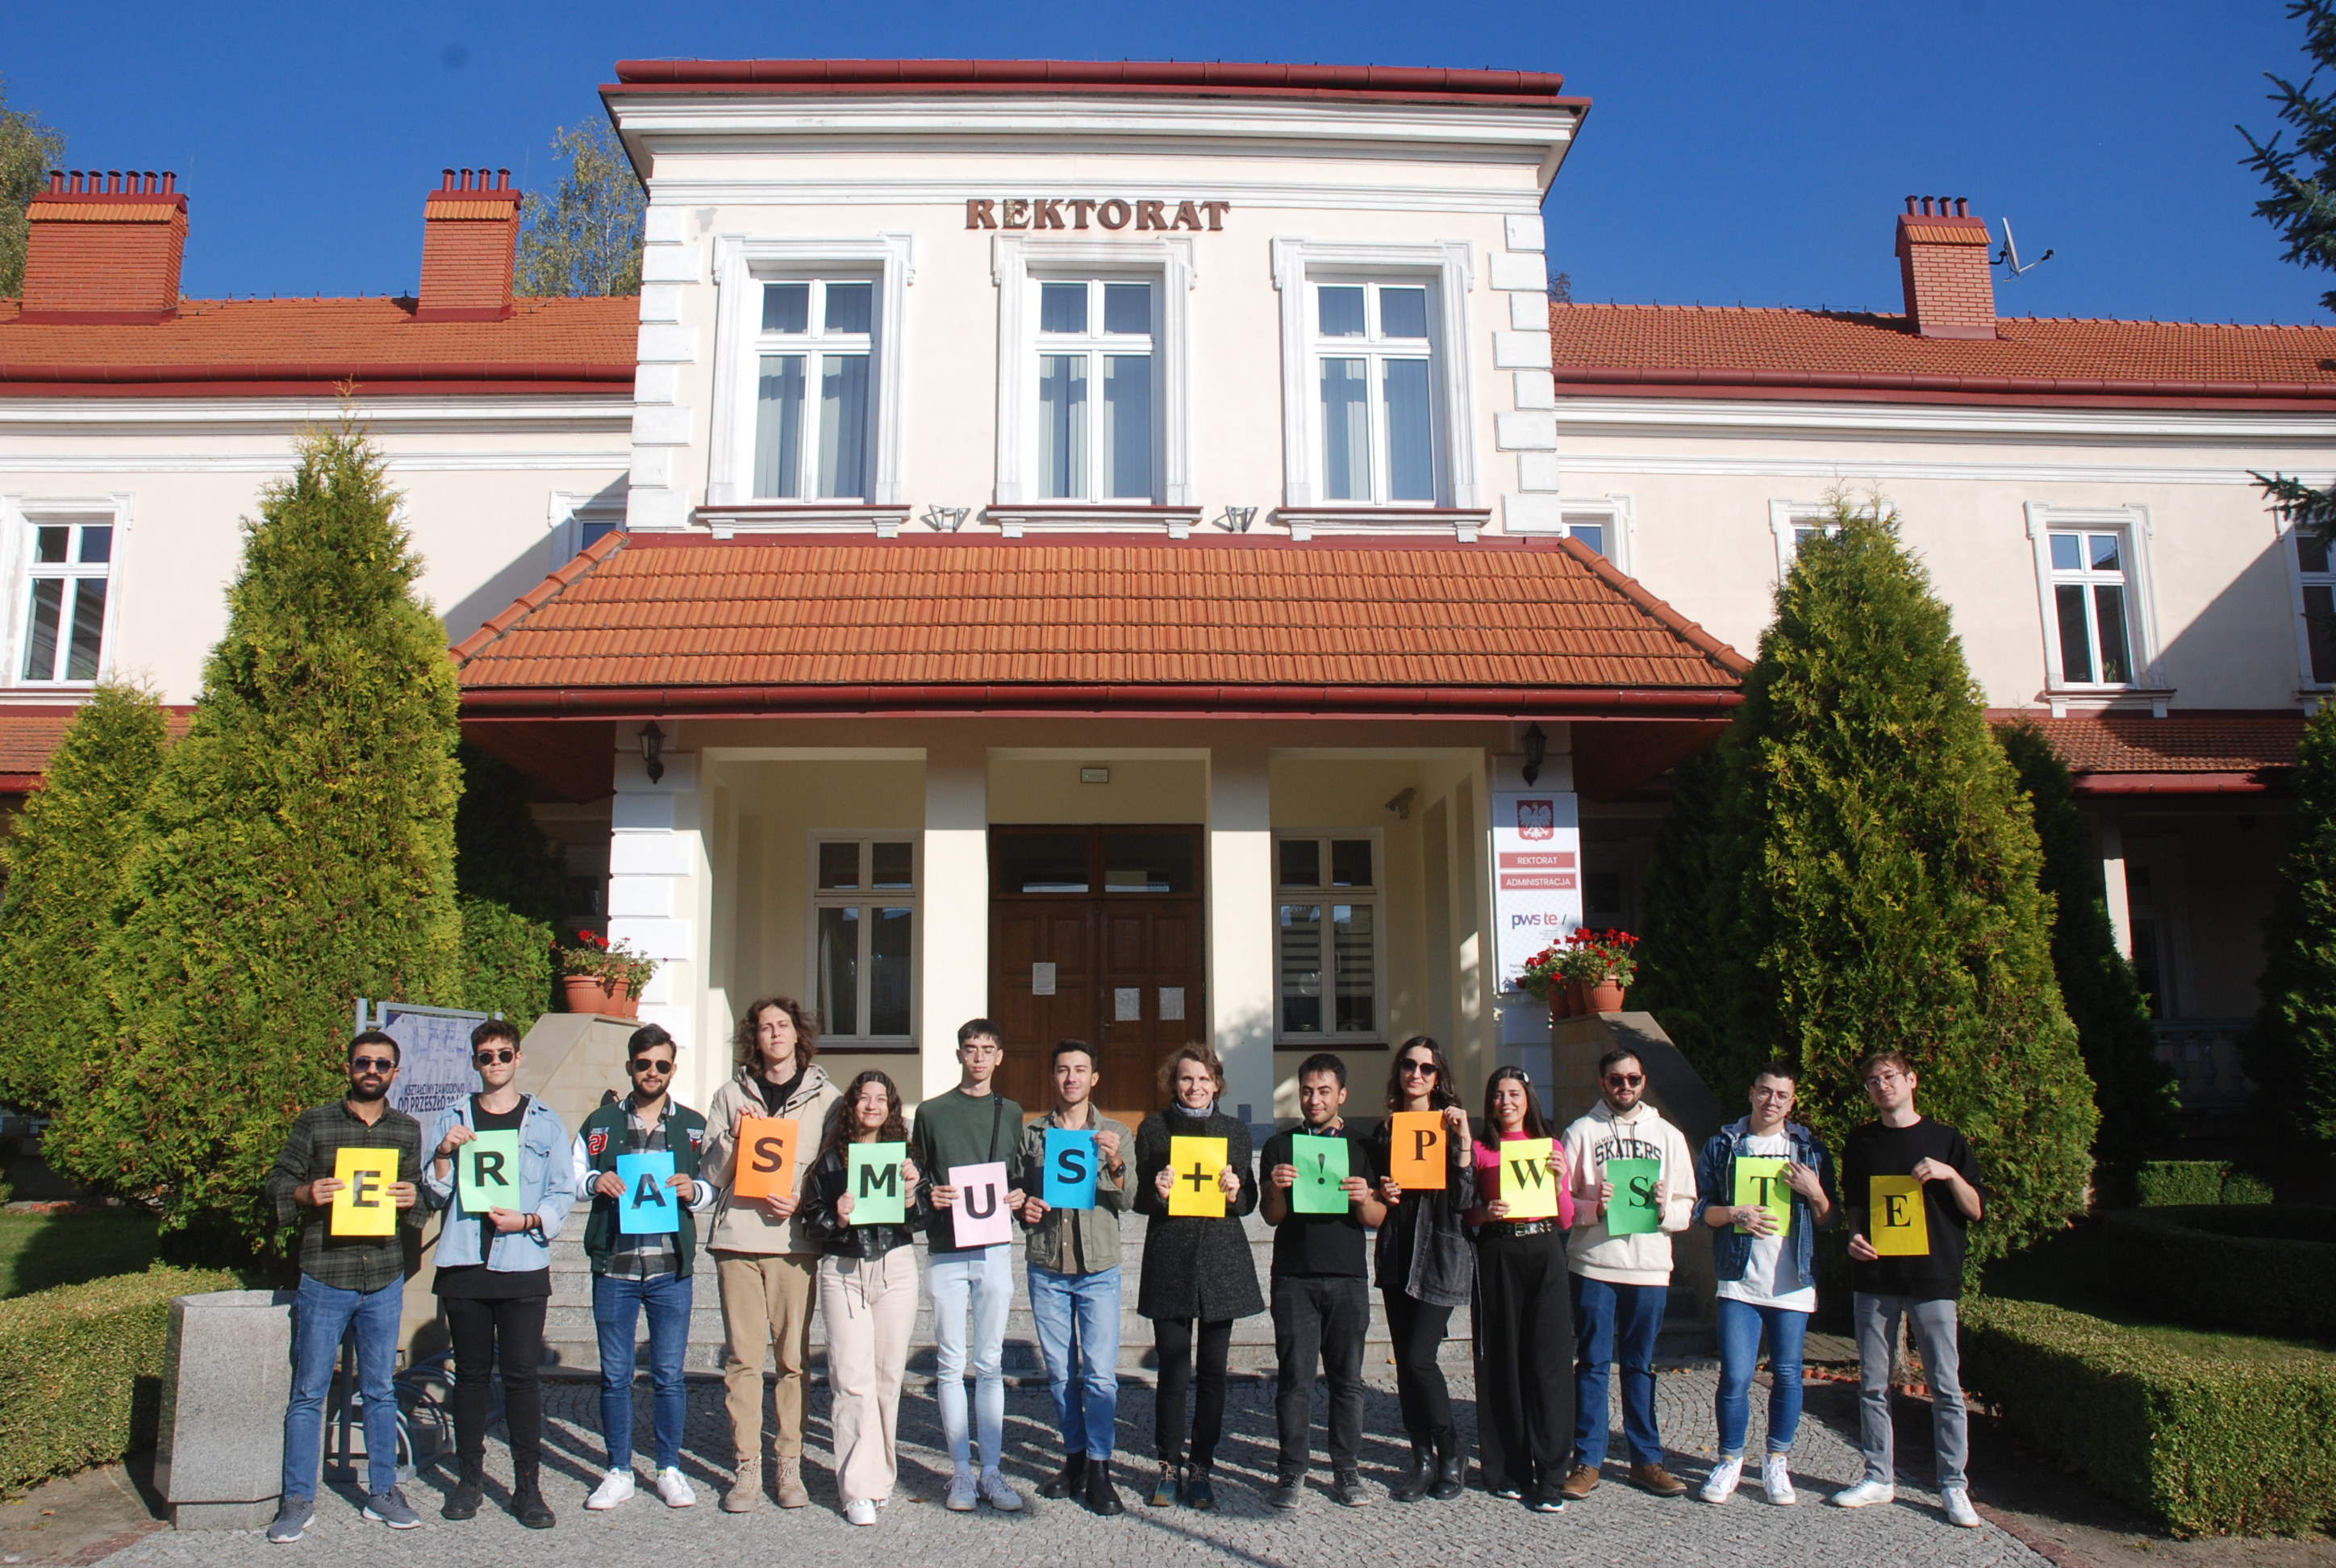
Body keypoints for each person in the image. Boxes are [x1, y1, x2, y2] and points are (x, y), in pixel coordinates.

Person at [265, 1031, 427, 1544]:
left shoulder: (406, 1129)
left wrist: (413, 1198)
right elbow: (276, 1181)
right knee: (309, 1391)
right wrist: (304, 1192)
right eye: (364, 1062)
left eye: (382, 1064)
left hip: (383, 1274)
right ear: (348, 1067)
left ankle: (383, 1492)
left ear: (395, 1072)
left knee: (380, 1389)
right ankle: (297, 1499)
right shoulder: (315, 1122)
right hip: (325, 1273)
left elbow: (420, 1193)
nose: (372, 1070)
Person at [419, 1020, 576, 1528]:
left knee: (521, 1378)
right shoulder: (453, 1116)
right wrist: (444, 1154)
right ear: (475, 1062)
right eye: (486, 1056)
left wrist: (528, 1221)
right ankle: (469, 1480)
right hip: (464, 1260)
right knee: (468, 1377)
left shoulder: (545, 1121)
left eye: (503, 1054)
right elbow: (434, 1193)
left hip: (522, 1262)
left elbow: (562, 1189)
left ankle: (527, 1486)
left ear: (518, 1057)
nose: (495, 1064)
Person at [1832, 1049, 1988, 1529]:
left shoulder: (1946, 1140)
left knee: (1946, 1387)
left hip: (1933, 1277)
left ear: (1911, 1079)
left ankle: (1953, 1485)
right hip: (1876, 1278)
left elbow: (1976, 1209)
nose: (1882, 1086)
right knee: (1872, 1385)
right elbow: (1856, 1205)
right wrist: (1853, 1237)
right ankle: (1878, 1476)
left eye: (1889, 1077)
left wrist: (1949, 1174)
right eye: (1872, 1082)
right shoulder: (1861, 1141)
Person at [699, 995, 842, 1512]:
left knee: (792, 1360)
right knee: (742, 1359)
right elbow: (711, 1175)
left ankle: (789, 1464)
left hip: (793, 1243)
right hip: (737, 1239)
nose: (775, 1033)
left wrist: (804, 1200)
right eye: (766, 1027)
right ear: (754, 1037)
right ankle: (745, 1467)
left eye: (783, 1025)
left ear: (798, 1033)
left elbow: (834, 1171)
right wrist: (734, 1139)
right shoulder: (728, 1094)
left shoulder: (828, 1098)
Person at [570, 1024, 715, 1512]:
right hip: (615, 1265)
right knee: (615, 1375)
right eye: (644, 1064)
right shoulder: (601, 1122)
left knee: (669, 1375)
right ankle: (618, 1469)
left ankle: (669, 1467)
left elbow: (714, 1184)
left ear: (673, 1069)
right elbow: (572, 1176)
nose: (652, 1072)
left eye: (662, 1065)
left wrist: (694, 1191)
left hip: (670, 1266)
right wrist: (595, 1181)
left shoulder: (692, 1125)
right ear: (630, 1066)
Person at [1689, 1061, 1838, 1506]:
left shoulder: (1809, 1149)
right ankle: (1730, 1459)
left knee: (1788, 1374)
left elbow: (1829, 1219)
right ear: (1751, 1092)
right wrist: (1734, 1213)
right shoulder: (1724, 1145)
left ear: (1792, 1102)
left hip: (1792, 1280)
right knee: (1735, 1375)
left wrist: (1814, 1191)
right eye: (1765, 1091)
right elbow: (1701, 1210)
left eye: (1782, 1095)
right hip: (1740, 1279)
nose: (1771, 1101)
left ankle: (1777, 1461)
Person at [1561, 1045, 1696, 1501]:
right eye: (1616, 1079)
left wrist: (1664, 1209)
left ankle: (1646, 1459)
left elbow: (1687, 1205)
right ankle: (1587, 1460)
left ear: (1643, 1082)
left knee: (1640, 1364)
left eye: (1633, 1079)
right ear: (1603, 1082)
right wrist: (1593, 1207)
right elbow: (1562, 1202)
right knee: (1593, 1363)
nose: (1625, 1086)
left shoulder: (1669, 1136)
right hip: (1594, 1265)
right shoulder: (1581, 1132)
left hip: (1649, 1267)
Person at [908, 1018, 1028, 1513]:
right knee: (950, 1362)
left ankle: (992, 1470)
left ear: (999, 1056)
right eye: (971, 1048)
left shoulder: (1012, 1111)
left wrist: (1019, 1195)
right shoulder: (931, 1112)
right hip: (946, 1246)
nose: (979, 1057)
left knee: (990, 1362)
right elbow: (915, 1174)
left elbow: (1017, 1174)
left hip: (994, 1245)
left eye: (987, 1049)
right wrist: (928, 1194)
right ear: (959, 1053)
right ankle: (960, 1471)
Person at [799, 1071, 930, 1528]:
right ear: (851, 1105)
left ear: (891, 1108)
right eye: (863, 1098)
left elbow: (923, 1218)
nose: (872, 1105)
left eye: (881, 1099)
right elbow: (811, 1219)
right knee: (851, 1379)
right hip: (845, 1270)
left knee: (887, 1378)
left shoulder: (907, 1156)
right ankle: (857, 1488)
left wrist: (912, 1195)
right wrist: (837, 1217)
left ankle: (882, 1477)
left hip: (895, 1267)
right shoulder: (830, 1161)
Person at [1133, 1044, 1260, 1511]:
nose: (1195, 1086)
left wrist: (1236, 1190)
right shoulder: (1153, 1128)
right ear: (1174, 1082)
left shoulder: (1235, 1131)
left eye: (1204, 1079)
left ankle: (1203, 1465)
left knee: (1213, 1370)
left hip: (1221, 1259)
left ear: (1217, 1084)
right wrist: (1157, 1190)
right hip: (1170, 1256)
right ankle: (1168, 1464)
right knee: (1172, 1366)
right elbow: (1138, 1199)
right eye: (1186, 1078)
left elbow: (1248, 1201)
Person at [1015, 1039, 1135, 1516]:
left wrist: (1115, 1162)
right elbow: (1018, 1194)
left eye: (1080, 1070)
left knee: (1101, 1375)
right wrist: (1023, 1207)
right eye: (1063, 1070)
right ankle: (1074, 1459)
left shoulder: (1115, 1132)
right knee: (1061, 1374)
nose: (1071, 1078)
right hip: (1048, 1266)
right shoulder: (1033, 1134)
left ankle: (1101, 1468)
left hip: (1098, 1268)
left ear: (1094, 1078)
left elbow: (1128, 1200)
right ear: (1053, 1077)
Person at [1262, 1052, 1386, 1510]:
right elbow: (1271, 1217)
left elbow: (1376, 1218)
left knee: (1347, 1380)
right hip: (1294, 1276)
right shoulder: (1280, 1145)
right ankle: (1291, 1470)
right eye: (1308, 1091)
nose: (1315, 1099)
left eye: (1324, 1091)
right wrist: (1276, 1188)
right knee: (1294, 1379)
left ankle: (1346, 1470)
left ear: (1342, 1095)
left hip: (1348, 1274)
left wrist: (1364, 1198)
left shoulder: (1362, 1146)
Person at [1370, 1037, 1475, 1503]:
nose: (1416, 1074)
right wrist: (1384, 1192)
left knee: (1418, 1357)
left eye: (1426, 1068)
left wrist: (1464, 1144)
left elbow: (1464, 1200)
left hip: (1439, 1256)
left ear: (1438, 1077)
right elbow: (1375, 1195)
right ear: (1398, 1073)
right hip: (1397, 1252)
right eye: (1409, 1066)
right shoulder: (1386, 1130)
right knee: (1406, 1363)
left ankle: (1451, 1450)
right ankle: (1422, 1458)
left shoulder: (1451, 1128)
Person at [1468, 1065, 1576, 1512]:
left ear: (1528, 1099)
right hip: (1499, 1251)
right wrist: (1484, 1213)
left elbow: (1566, 1218)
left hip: (1544, 1249)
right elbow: (1466, 1213)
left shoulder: (1550, 1146)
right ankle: (1510, 1468)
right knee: (1502, 1360)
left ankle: (1552, 1474)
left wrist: (1560, 1181)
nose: (1506, 1102)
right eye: (1498, 1095)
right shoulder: (1479, 1149)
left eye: (1514, 1094)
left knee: (1549, 1363)